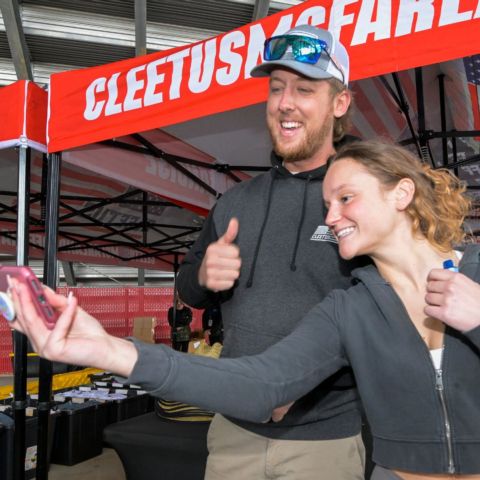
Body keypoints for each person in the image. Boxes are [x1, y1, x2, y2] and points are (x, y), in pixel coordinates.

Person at [8, 140, 480, 480]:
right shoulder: (350, 308)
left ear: (401, 194)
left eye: (346, 198)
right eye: (326, 203)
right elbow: (259, 384)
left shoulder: (475, 274)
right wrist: (110, 350)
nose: (331, 216)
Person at [175, 24, 367, 480]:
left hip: (324, 440)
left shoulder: (359, 198)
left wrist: (297, 384)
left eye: (304, 89)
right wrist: (203, 276)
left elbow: (384, 310)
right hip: (231, 434)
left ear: (339, 104)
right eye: (276, 88)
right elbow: (187, 287)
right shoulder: (236, 200)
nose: (285, 102)